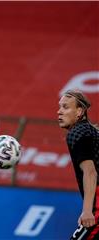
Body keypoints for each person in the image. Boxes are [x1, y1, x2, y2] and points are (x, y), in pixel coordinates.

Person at [57, 90, 99, 240]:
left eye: (65, 107)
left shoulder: (77, 133)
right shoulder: (89, 131)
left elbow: (90, 172)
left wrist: (88, 210)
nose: (59, 111)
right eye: (60, 106)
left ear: (79, 111)